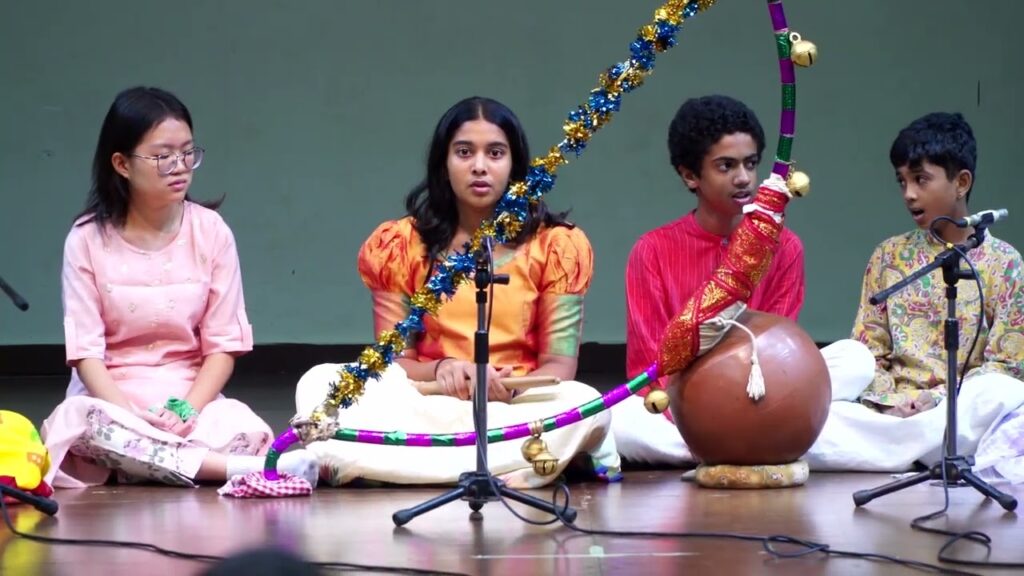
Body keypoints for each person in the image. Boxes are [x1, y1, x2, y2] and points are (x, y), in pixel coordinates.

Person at [294, 96, 619, 487]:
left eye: (495, 153)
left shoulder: (556, 245)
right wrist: (443, 369)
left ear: (515, 164)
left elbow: (559, 369)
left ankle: (383, 464)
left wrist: (505, 389)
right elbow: (394, 361)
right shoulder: (401, 244)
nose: (480, 166)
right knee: (321, 380)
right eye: (464, 152)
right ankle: (514, 468)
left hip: (513, 408)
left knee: (585, 404)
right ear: (443, 163)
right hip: (428, 404)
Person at [41, 87, 317, 488]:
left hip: (187, 395)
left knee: (245, 427)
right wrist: (132, 417)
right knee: (81, 425)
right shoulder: (85, 239)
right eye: (162, 156)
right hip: (112, 400)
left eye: (188, 153)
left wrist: (188, 410)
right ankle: (229, 471)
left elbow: (222, 345)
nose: (180, 166)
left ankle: (151, 463)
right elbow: (86, 353)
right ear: (120, 163)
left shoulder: (211, 231)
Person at [614, 95, 873, 466]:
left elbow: (782, 350)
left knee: (855, 359)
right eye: (726, 166)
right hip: (685, 402)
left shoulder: (784, 246)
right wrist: (704, 412)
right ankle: (756, 448)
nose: (744, 178)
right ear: (690, 175)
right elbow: (649, 369)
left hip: (764, 391)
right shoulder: (652, 250)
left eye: (751, 164)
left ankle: (719, 453)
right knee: (621, 421)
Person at [806, 112, 1024, 478]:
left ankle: (901, 451)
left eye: (921, 180)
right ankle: (916, 451)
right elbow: (869, 352)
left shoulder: (1005, 263)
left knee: (1001, 394)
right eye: (902, 181)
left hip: (960, 413)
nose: (909, 194)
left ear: (962, 182)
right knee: (844, 370)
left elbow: (1007, 366)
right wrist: (894, 403)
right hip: (891, 416)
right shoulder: (888, 256)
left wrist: (937, 401)